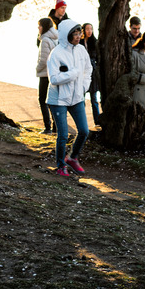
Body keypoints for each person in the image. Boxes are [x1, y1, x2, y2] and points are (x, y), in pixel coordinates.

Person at [46, 19, 92, 176]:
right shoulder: (56, 53)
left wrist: (84, 87)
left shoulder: (81, 50)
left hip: (77, 97)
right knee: (63, 135)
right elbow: (53, 79)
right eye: (75, 34)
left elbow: (88, 70)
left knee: (84, 131)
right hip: (58, 99)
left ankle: (72, 157)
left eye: (80, 33)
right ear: (67, 35)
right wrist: (72, 74)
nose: (79, 37)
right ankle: (60, 166)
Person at [36, 17, 59, 134]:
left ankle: (47, 127)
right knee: (52, 101)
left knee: (43, 100)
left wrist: (37, 69)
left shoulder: (45, 40)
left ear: (44, 27)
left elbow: (44, 60)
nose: (38, 28)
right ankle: (56, 126)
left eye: (39, 25)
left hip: (45, 74)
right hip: (53, 73)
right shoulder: (55, 38)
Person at [80, 22, 102, 125]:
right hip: (81, 72)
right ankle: (82, 120)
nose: (89, 31)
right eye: (87, 29)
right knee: (81, 98)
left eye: (91, 29)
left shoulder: (95, 42)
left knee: (94, 98)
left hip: (92, 72)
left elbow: (98, 57)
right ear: (83, 30)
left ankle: (97, 121)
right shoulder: (79, 42)